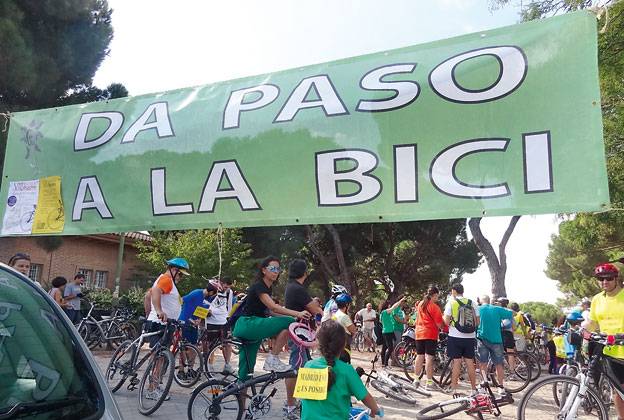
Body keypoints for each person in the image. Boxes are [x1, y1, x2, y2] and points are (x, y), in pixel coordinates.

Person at [233, 256, 311, 381]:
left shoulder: (268, 288)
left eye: (278, 269)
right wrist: (297, 314)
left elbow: (270, 311)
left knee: (245, 374)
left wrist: (291, 316)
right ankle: (272, 359)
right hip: (249, 324)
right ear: (264, 270)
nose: (276, 272)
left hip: (248, 327)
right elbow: (273, 307)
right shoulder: (259, 286)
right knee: (289, 322)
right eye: (272, 268)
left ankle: (236, 392)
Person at [300, 320, 382, 420]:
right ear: (344, 345)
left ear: (318, 343)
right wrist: (376, 410)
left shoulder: (308, 366)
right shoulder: (346, 370)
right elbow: (366, 397)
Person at [582, 262, 624, 419]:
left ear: (616, 278)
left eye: (609, 278)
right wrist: (581, 330)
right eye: (601, 279)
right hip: (610, 352)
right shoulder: (597, 299)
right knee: (617, 391)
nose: (605, 281)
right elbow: (592, 323)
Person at [145, 257, 190, 401]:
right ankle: (151, 389)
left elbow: (148, 295)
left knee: (161, 357)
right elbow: (155, 291)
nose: (181, 278)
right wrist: (158, 311)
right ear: (174, 270)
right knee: (159, 358)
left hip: (165, 324)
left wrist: (149, 314)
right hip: (160, 324)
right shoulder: (166, 279)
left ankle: (155, 385)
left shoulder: (168, 282)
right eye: (180, 274)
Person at [283, 259, 323, 420]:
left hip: (299, 333)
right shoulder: (298, 288)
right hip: (298, 334)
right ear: (304, 273)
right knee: (296, 369)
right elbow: (315, 309)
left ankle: (299, 403)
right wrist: (325, 312)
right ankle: (290, 406)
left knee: (304, 367)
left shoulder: (292, 286)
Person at [443, 283, 480, 395]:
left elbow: (446, 322)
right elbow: (477, 322)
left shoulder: (451, 303)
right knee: (470, 362)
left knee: (457, 362)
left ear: (454, 291)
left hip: (455, 336)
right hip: (470, 337)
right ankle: (473, 389)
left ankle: (454, 388)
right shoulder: (472, 303)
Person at [178, 282, 218, 380]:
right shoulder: (196, 293)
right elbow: (182, 300)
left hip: (194, 324)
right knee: (184, 347)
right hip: (185, 321)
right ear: (211, 292)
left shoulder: (207, 299)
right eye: (214, 294)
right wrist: (189, 318)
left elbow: (202, 310)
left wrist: (199, 319)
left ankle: (190, 369)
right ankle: (181, 370)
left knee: (193, 347)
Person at [476, 294, 514, 396]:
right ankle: (501, 387)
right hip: (496, 340)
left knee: (483, 363)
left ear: (481, 301)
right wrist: (499, 306)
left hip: (483, 339)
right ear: (489, 301)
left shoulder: (478, 309)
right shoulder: (497, 309)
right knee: (498, 364)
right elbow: (511, 313)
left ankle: (484, 385)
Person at [413, 286, 444, 391]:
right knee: (429, 358)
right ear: (434, 295)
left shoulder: (420, 304)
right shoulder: (435, 307)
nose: (438, 298)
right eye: (437, 296)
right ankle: (429, 382)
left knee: (419, 356)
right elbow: (439, 324)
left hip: (419, 333)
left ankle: (416, 379)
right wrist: (445, 326)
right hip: (430, 334)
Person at [204, 277, 236, 375]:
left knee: (227, 343)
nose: (227, 288)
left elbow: (230, 306)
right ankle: (209, 365)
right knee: (210, 344)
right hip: (211, 321)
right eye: (225, 286)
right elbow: (205, 302)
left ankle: (227, 365)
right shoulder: (212, 288)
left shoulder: (229, 292)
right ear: (221, 283)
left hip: (223, 321)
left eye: (228, 286)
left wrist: (229, 318)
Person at [379, 297, 406, 367]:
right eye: (389, 305)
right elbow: (394, 307)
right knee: (390, 348)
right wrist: (400, 301)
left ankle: (383, 363)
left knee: (384, 348)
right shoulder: (385, 312)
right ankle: (385, 363)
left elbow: (381, 321)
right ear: (387, 306)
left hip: (387, 331)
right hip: (387, 332)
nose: (390, 306)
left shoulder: (382, 313)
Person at [332, 293, 357, 363]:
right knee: (345, 363)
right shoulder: (344, 316)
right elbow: (353, 330)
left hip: (334, 343)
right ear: (347, 305)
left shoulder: (334, 315)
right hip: (344, 345)